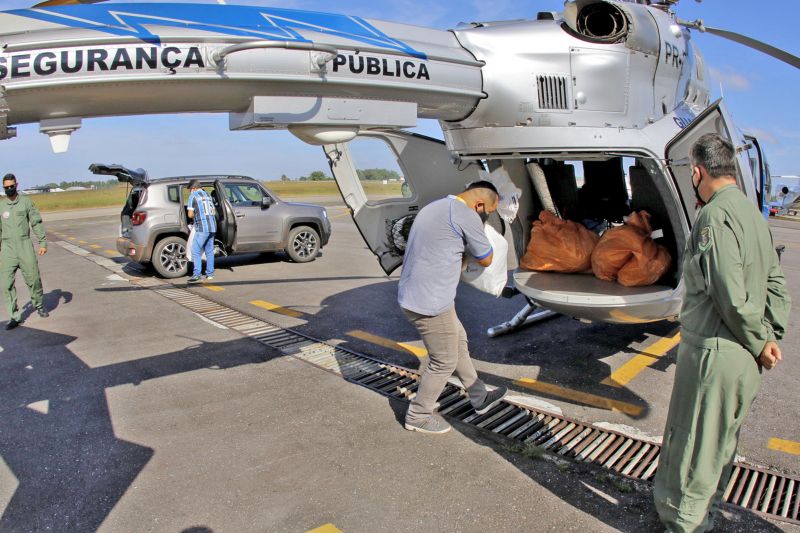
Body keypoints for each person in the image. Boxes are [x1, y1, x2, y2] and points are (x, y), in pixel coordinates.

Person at [654, 133, 791, 532]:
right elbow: (776, 284)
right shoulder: (751, 213)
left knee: (695, 443)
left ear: (697, 172)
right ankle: (704, 517)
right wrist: (768, 336)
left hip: (715, 352)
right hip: (743, 356)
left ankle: (684, 523)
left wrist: (757, 340)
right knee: (720, 446)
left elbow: (729, 293)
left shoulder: (713, 216)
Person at [399, 181, 508, 434]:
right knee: (444, 361)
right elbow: (487, 257)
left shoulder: (436, 206)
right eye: (488, 211)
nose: (486, 215)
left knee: (458, 342)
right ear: (479, 204)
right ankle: (418, 415)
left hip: (418, 295)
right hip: (431, 303)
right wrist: (481, 234)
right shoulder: (465, 213)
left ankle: (479, 397)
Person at [0, 173, 49, 330]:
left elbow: (36, 222)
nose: (9, 189)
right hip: (7, 248)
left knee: (33, 279)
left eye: (11, 186)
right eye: (6, 187)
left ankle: (39, 305)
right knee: (6, 284)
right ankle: (14, 316)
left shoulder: (26, 202)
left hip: (24, 245)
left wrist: (42, 242)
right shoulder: (1, 206)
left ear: (17, 185)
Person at [186, 180, 217, 283]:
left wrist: (197, 215)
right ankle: (210, 274)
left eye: (190, 189)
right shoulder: (207, 195)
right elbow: (213, 211)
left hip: (202, 228)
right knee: (209, 251)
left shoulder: (193, 196)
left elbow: (190, 215)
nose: (190, 191)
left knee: (195, 250)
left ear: (194, 188)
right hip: (212, 227)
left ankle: (197, 275)